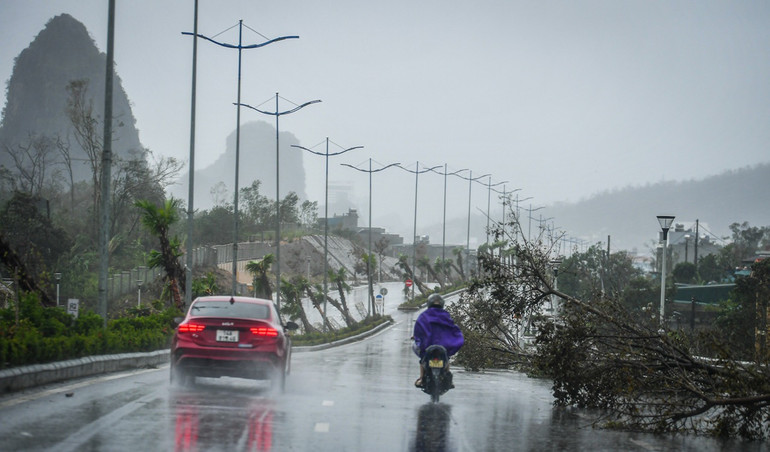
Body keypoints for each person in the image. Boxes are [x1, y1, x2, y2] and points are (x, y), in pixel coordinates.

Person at [412, 293, 464, 387]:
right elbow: (451, 328)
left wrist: (417, 338)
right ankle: (449, 379)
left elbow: (418, 330)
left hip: (427, 345)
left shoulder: (424, 316)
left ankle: (421, 378)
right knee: (447, 357)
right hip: (444, 345)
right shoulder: (445, 315)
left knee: (422, 357)